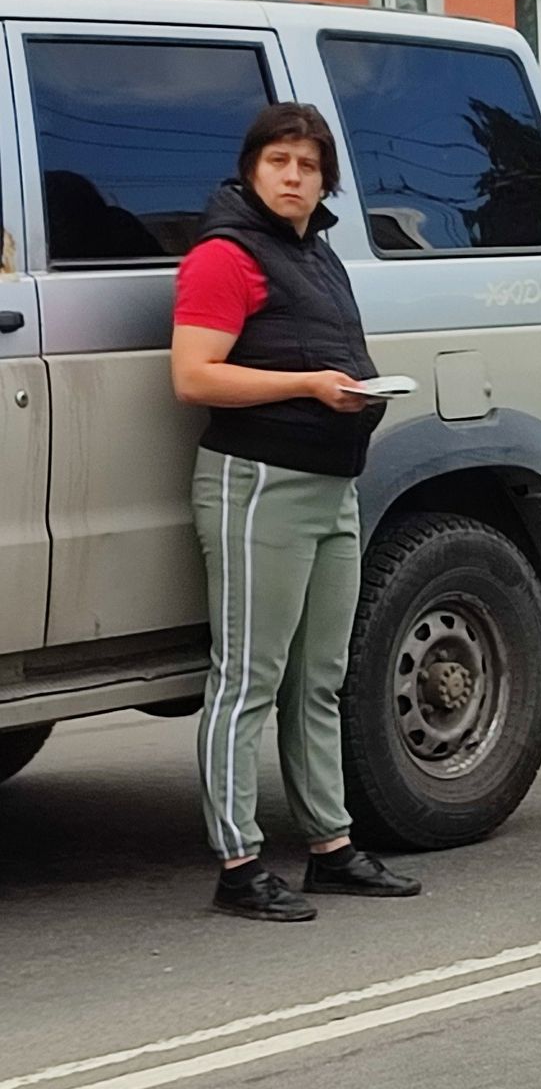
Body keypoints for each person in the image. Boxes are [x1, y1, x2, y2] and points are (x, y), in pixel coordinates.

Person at [171, 103, 421, 922]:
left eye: (307, 166)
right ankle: (236, 863)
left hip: (328, 486)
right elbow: (196, 377)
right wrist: (310, 386)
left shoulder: (316, 255)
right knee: (247, 679)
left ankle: (330, 847)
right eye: (278, 161)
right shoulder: (224, 254)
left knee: (320, 679)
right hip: (258, 484)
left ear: (325, 180)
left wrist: (351, 390)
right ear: (252, 168)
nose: (292, 177)